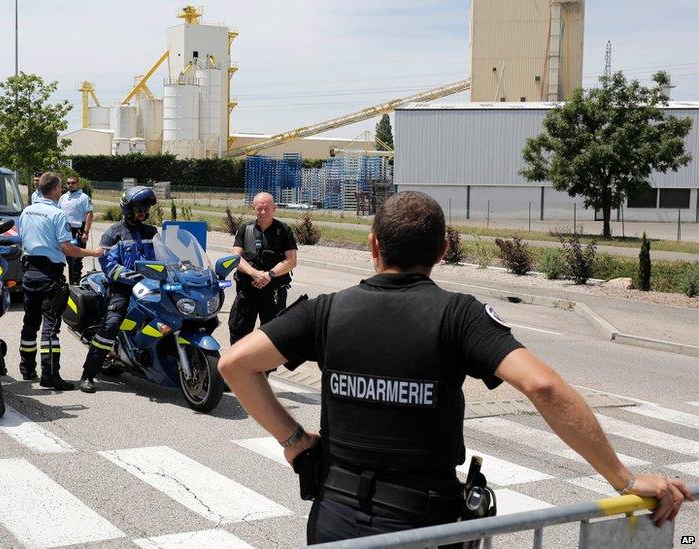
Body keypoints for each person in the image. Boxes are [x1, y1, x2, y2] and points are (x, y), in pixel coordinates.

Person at [219, 191, 692, 544]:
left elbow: (236, 364)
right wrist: (625, 481)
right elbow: (544, 386)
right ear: (443, 250)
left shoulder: (326, 310)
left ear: (372, 246)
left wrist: (295, 442)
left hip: (334, 518)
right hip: (421, 527)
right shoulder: (459, 315)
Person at [18, 172, 104, 389]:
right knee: (50, 326)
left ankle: (27, 368)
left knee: (30, 322)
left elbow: (21, 238)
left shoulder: (27, 211)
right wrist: (92, 253)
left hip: (29, 272)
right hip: (49, 275)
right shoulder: (57, 215)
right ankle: (50, 375)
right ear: (56, 189)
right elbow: (67, 248)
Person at [78, 185, 157, 394]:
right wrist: (126, 275)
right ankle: (88, 374)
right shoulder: (113, 233)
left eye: (146, 209)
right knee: (111, 324)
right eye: (139, 208)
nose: (143, 213)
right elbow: (108, 264)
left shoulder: (152, 232)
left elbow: (167, 256)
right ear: (128, 209)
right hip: (122, 287)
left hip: (150, 286)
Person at [229, 192, 298, 345]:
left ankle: (265, 369)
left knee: (273, 337)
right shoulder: (244, 229)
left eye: (267, 208)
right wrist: (254, 274)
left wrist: (269, 275)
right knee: (238, 332)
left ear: (275, 208)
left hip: (273, 293)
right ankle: (240, 367)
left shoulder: (284, 230)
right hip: (247, 292)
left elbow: (291, 261)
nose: (263, 212)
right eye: (259, 208)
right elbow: (235, 258)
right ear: (253, 209)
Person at [58, 176, 94, 285]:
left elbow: (89, 214)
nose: (70, 185)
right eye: (68, 183)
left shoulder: (83, 197)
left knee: (76, 259)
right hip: (66, 230)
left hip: (79, 231)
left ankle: (75, 284)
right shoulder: (63, 197)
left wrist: (86, 232)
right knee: (68, 259)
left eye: (73, 183)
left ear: (78, 184)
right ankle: (70, 284)